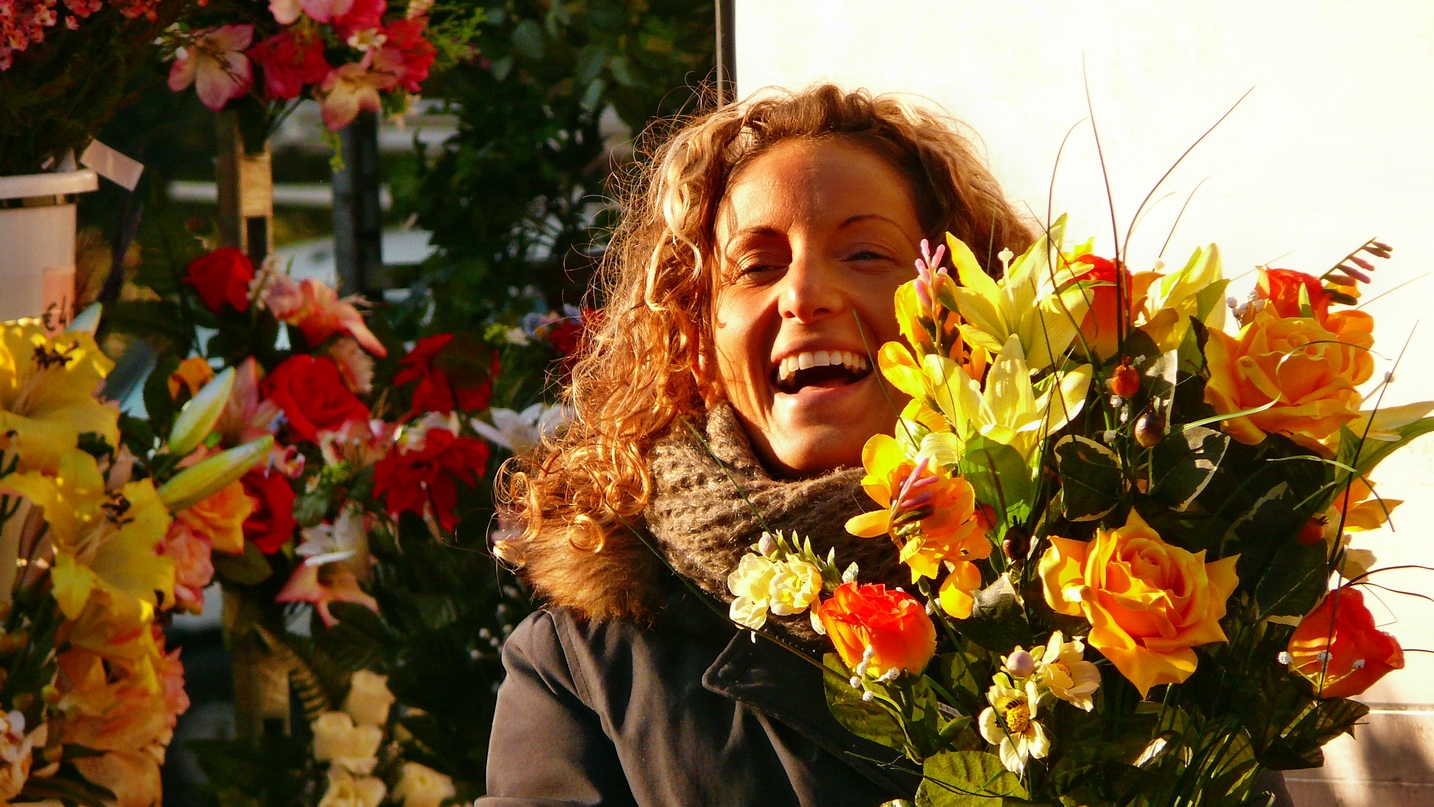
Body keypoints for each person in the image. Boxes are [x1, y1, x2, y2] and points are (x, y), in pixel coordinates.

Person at [477, 84, 1292, 807]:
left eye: (865, 253)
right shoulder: (583, 668)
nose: (805, 293)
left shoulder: (1119, 612)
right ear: (695, 339)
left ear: (968, 305)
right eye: (756, 267)